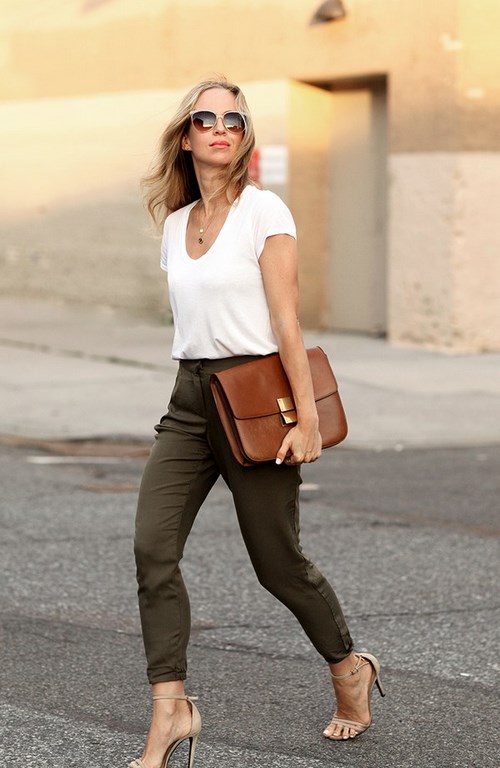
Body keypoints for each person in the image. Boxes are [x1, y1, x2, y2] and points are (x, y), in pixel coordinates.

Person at [129, 77, 384, 768]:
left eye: (233, 120)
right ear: (186, 136)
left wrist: (304, 418)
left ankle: (347, 667)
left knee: (278, 565)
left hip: (255, 398)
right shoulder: (178, 225)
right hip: (189, 403)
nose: (220, 128)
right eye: (205, 118)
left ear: (244, 137)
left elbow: (286, 320)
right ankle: (170, 715)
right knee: (153, 550)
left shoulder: (264, 211)